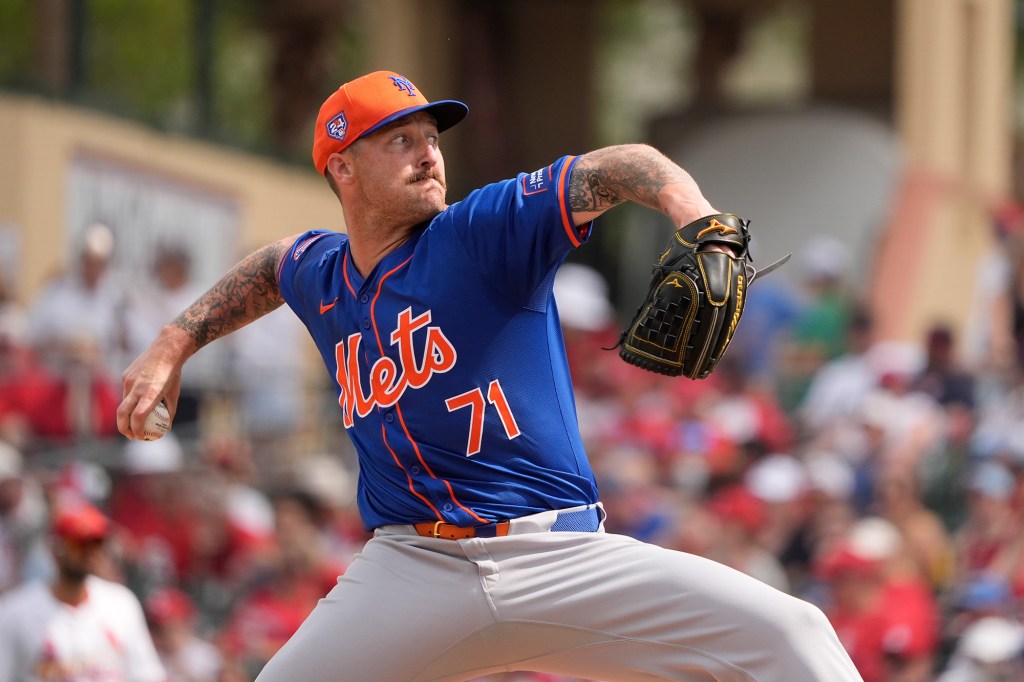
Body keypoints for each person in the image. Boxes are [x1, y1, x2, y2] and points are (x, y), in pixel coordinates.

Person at [118, 70, 860, 680]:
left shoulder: (483, 231)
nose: (428, 153)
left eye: (431, 137)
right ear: (341, 167)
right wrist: (171, 344)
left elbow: (617, 166)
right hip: (411, 570)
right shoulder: (323, 272)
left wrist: (698, 217)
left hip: (557, 556)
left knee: (794, 634)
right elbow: (272, 267)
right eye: (399, 140)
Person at [0, 498, 166, 682]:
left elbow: (146, 674)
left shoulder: (121, 603)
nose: (90, 551)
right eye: (79, 543)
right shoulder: (15, 612)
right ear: (55, 548)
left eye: (96, 542)